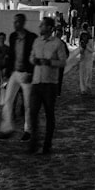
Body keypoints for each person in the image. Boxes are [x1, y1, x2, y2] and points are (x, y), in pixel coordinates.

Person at [28, 16, 68, 155]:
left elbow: (63, 62)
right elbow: (31, 57)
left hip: (50, 84)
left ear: (49, 28)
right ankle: (34, 142)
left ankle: (47, 144)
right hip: (36, 82)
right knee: (32, 113)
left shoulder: (58, 44)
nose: (40, 27)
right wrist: (34, 60)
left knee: (49, 114)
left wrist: (50, 62)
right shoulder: (37, 42)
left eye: (42, 25)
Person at [0, 13, 36, 140]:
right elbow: (12, 55)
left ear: (23, 22)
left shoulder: (31, 38)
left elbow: (33, 57)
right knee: (8, 100)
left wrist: (31, 73)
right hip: (15, 72)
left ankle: (28, 130)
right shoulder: (13, 37)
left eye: (17, 22)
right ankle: (6, 128)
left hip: (26, 73)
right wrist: (7, 73)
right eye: (14, 22)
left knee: (27, 104)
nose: (15, 24)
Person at [77, 22, 94, 95]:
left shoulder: (80, 36)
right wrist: (87, 46)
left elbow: (80, 48)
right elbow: (92, 50)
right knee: (88, 73)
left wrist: (83, 47)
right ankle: (87, 87)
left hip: (83, 56)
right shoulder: (90, 37)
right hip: (88, 58)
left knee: (82, 73)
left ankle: (83, 89)